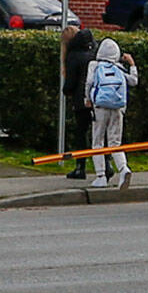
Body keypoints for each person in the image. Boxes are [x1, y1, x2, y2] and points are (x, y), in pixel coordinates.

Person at [85, 37, 134, 189]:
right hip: (118, 107)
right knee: (115, 142)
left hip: (100, 107)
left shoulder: (94, 65)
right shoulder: (119, 68)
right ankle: (123, 168)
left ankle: (101, 176)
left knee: (98, 141)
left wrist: (87, 98)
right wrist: (132, 64)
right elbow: (133, 81)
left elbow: (89, 82)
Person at [62, 20, 95, 179]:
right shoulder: (93, 51)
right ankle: (105, 165)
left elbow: (71, 83)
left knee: (81, 133)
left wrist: (66, 91)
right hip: (97, 99)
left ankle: (80, 167)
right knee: (99, 134)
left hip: (81, 100)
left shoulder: (73, 56)